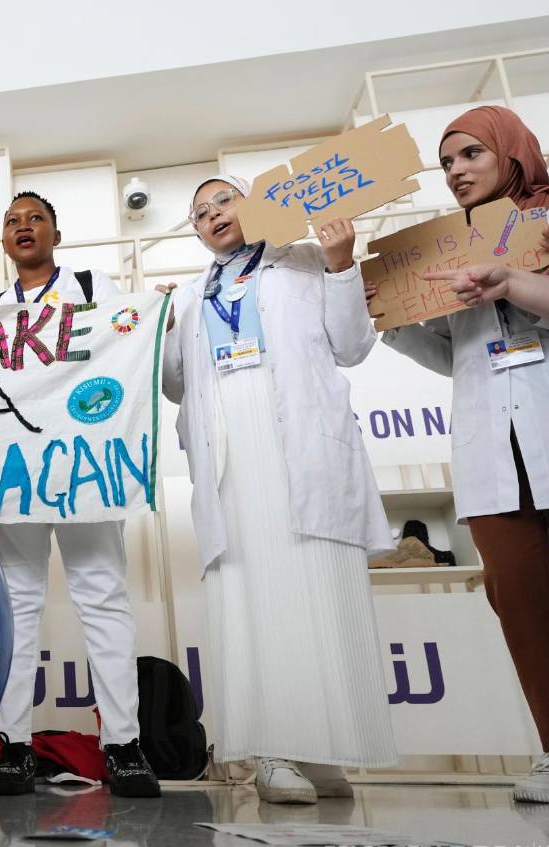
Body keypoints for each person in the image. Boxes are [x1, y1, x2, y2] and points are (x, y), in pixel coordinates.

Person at [376, 105, 549, 804]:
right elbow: (453, 356)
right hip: (491, 449)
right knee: (519, 600)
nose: (457, 171)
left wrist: (514, 282)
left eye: (470, 154)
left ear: (509, 151)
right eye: (446, 163)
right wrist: (394, 320)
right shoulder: (444, 248)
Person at [162, 175, 397, 804]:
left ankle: (324, 749)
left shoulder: (307, 262)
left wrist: (345, 264)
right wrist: (154, 328)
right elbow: (174, 385)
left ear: (255, 204)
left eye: (223, 201)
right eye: (200, 210)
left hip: (302, 452)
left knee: (318, 592)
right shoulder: (188, 295)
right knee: (251, 596)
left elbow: (351, 348)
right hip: (232, 463)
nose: (213, 214)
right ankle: (271, 750)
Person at [0, 191, 161, 798]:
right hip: (15, 475)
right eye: (12, 221)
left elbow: (130, 339)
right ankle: (15, 746)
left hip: (83, 469)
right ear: (3, 239)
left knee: (103, 600)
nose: (23, 228)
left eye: (35, 219)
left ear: (56, 232)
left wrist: (154, 316)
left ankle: (123, 745)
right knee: (16, 608)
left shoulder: (96, 290)